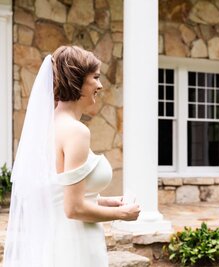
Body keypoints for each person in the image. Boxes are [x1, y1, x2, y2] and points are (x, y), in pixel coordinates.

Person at [4, 46, 141, 267]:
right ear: (77, 81)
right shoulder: (76, 131)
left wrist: (110, 202)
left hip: (55, 238)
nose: (100, 85)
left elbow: (59, 194)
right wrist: (123, 214)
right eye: (95, 78)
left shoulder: (48, 126)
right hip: (76, 244)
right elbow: (73, 208)